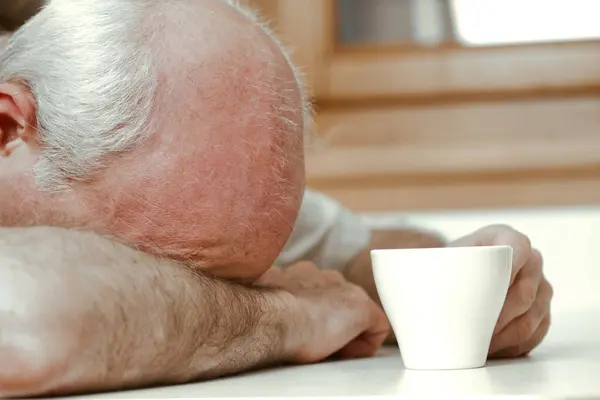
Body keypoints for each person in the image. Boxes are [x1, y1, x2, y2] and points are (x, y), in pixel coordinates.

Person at [0, 0, 553, 397]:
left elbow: (362, 253)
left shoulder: (191, 204)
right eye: (141, 268)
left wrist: (466, 287)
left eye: (243, 278)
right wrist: (283, 315)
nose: (200, 290)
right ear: (8, 128)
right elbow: (22, 328)